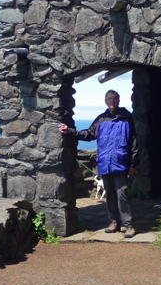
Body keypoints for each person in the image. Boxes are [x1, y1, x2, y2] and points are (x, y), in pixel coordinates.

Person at [59, 90, 138, 238]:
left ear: (119, 100)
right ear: (105, 101)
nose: (112, 101)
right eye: (109, 98)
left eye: (114, 98)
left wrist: (133, 164)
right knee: (111, 195)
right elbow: (89, 134)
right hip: (105, 163)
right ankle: (114, 223)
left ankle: (129, 225)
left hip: (121, 163)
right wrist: (69, 131)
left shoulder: (126, 117)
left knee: (122, 194)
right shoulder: (101, 119)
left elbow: (133, 141)